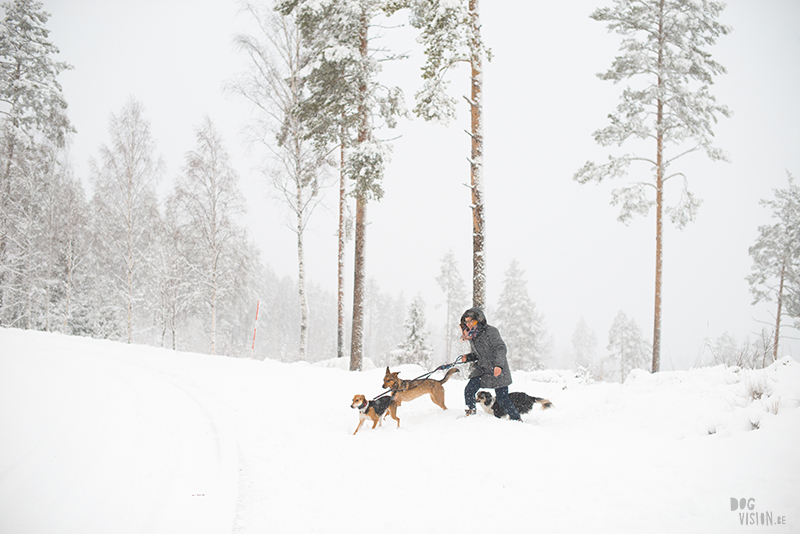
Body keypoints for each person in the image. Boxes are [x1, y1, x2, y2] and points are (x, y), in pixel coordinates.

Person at [459, 307, 522, 421]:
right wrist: (467, 357)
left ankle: (516, 419)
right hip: (482, 370)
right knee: (469, 390)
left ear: (479, 319)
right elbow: (477, 355)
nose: (468, 324)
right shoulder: (472, 336)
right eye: (466, 321)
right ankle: (470, 415)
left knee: (502, 399)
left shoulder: (491, 331)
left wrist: (499, 365)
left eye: (470, 321)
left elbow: (500, 348)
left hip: (497, 369)